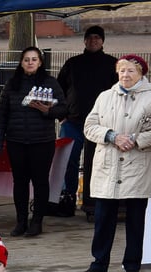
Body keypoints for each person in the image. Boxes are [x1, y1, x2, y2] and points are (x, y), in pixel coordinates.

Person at [80, 54, 151, 272]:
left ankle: (132, 265)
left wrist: (135, 139)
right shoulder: (105, 96)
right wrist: (111, 136)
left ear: (141, 74)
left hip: (136, 166)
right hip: (108, 166)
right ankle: (99, 263)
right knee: (103, 219)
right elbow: (90, 126)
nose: (125, 75)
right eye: (122, 71)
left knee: (135, 220)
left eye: (130, 71)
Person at [0, 47, 66, 237]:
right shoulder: (12, 84)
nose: (30, 62)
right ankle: (21, 221)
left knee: (40, 182)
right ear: (21, 62)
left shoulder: (50, 83)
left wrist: (47, 110)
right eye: (26, 59)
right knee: (20, 182)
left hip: (42, 141)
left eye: (34, 59)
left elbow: (64, 110)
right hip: (16, 140)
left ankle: (37, 221)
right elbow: (2, 114)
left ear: (40, 62)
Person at [58, 25, 118, 218]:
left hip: (101, 126)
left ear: (102, 41)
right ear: (84, 40)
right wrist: (62, 115)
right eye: (90, 37)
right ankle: (67, 198)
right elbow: (59, 90)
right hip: (73, 122)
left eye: (97, 38)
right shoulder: (72, 63)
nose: (93, 41)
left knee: (96, 164)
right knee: (68, 162)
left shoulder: (113, 64)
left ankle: (93, 203)